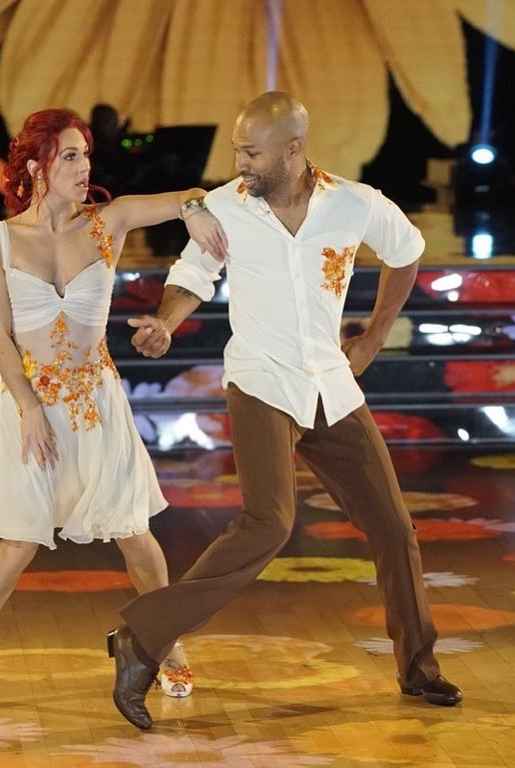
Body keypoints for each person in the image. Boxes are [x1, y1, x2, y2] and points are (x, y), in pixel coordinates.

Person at [107, 91, 462, 730]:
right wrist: (166, 323)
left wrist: (374, 336)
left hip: (330, 384)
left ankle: (419, 666)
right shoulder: (224, 207)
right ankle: (142, 639)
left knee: (394, 528)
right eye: (237, 150)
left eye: (251, 151)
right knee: (268, 522)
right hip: (261, 380)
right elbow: (192, 275)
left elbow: (407, 251)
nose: (239, 162)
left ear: (293, 150)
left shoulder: (355, 202)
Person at [0, 108, 228, 708]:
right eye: (71, 156)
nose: (85, 167)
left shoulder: (109, 221)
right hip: (28, 405)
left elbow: (190, 195)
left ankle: (168, 646)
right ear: (37, 167)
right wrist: (29, 407)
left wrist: (194, 210)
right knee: (18, 541)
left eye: (86, 155)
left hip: (95, 403)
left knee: (134, 533)